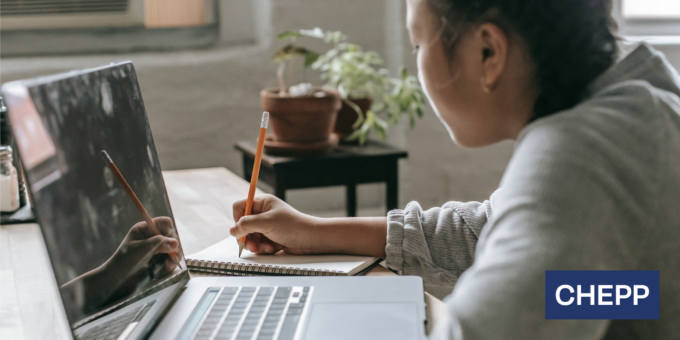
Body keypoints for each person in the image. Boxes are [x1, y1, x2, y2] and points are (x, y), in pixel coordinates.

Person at [231, 0, 680, 338]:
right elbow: (495, 234)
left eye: (418, 43)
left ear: (488, 52)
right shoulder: (626, 100)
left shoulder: (583, 151)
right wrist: (314, 232)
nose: (418, 62)